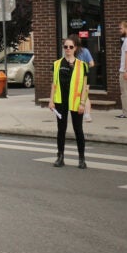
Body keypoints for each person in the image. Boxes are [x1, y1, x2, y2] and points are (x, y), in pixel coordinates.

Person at [49, 37, 89, 168]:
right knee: (61, 130)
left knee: (78, 130)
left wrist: (83, 103)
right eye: (65, 47)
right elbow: (54, 84)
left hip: (76, 102)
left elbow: (85, 86)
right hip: (60, 101)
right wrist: (51, 101)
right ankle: (60, 157)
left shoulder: (82, 65)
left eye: (71, 47)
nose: (68, 49)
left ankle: (82, 159)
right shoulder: (57, 64)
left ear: (75, 48)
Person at [69, 34, 95, 122]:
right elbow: (92, 63)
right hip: (85, 76)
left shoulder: (72, 52)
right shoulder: (85, 51)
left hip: (77, 77)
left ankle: (86, 115)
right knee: (85, 96)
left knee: (83, 96)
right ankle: (86, 115)